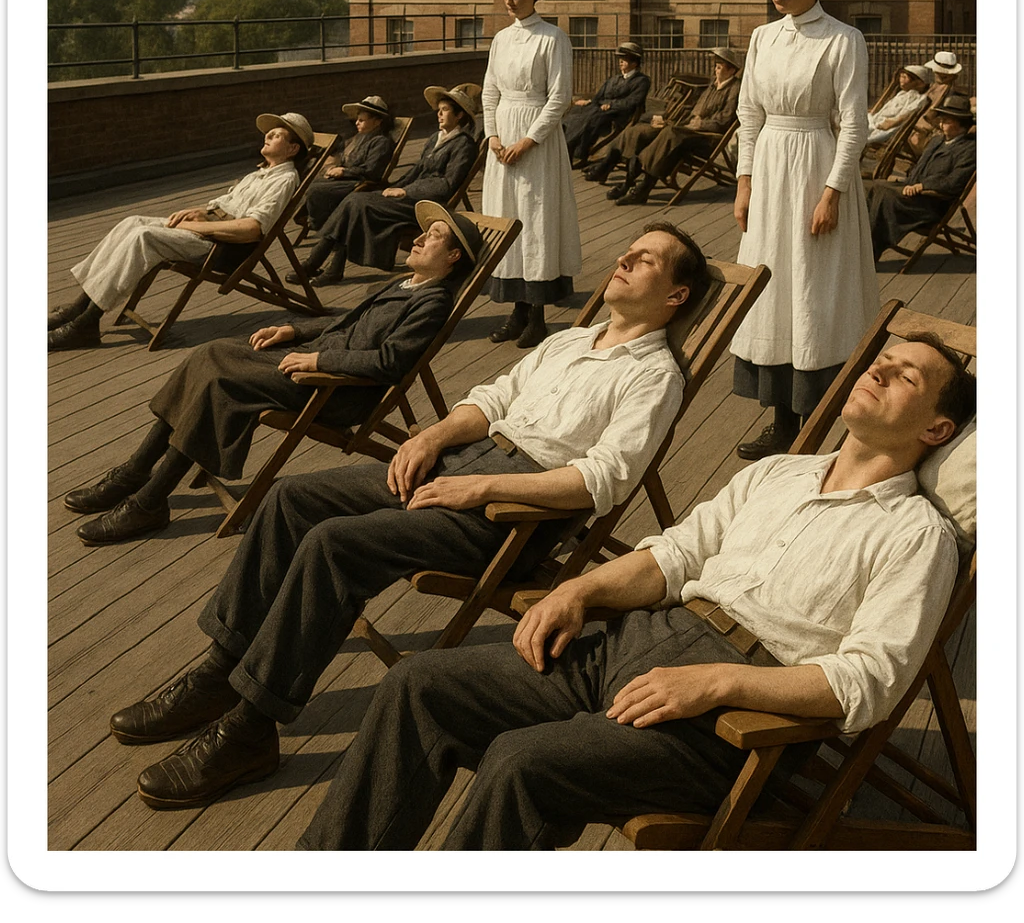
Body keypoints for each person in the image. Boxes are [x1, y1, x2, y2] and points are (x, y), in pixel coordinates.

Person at [106, 224, 707, 811]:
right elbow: (492, 399)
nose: (624, 261)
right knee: (289, 500)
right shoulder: (571, 340)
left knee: (334, 545)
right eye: (627, 251)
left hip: (510, 513)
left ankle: (248, 728)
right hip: (460, 460)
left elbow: (603, 479)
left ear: (676, 296)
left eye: (646, 259)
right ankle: (221, 670)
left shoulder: (655, 377)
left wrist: (481, 486)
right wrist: (432, 437)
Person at [296, 331, 974, 851]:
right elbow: (676, 556)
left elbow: (868, 681)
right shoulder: (780, 473)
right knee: (420, 687)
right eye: (882, 360)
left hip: (725, 717)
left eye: (906, 375)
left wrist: (715, 685)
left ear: (937, 431)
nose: (879, 369)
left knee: (521, 763)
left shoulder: (915, 535)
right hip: (634, 641)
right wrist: (581, 592)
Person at [65, 203, 476, 545]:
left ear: (454, 257)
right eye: (423, 233)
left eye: (434, 236)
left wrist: (319, 363)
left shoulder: (433, 301)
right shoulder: (407, 283)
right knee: (208, 353)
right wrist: (294, 330)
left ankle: (149, 502)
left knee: (220, 382)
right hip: (313, 361)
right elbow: (346, 322)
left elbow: (390, 362)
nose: (419, 238)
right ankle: (136, 471)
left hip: (336, 389)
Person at [731, 0, 880, 461]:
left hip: (816, 165)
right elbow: (750, 113)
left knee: (813, 284)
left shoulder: (844, 40)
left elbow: (854, 124)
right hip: (771, 169)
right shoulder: (762, 38)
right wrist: (745, 181)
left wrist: (832, 192)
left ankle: (821, 415)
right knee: (774, 284)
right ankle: (781, 419)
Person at [47, 112, 315, 352]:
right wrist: (201, 210)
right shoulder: (260, 173)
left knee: (144, 238)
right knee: (131, 222)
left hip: (220, 248)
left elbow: (251, 229)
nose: (268, 135)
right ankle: (79, 307)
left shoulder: (284, 180)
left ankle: (87, 321)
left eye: (278, 134)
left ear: (292, 149)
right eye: (270, 132)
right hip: (208, 230)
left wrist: (196, 225)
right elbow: (229, 205)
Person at [481, 0, 583, 350]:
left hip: (536, 143)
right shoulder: (501, 39)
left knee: (534, 219)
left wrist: (528, 140)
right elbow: (490, 92)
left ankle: (537, 316)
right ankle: (517, 311)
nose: (510, 1)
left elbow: (559, 99)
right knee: (507, 219)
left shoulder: (553, 38)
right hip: (502, 139)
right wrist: (493, 136)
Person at [292, 85, 480, 286]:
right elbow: (415, 171)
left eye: (444, 110)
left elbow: (447, 184)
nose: (439, 114)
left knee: (356, 202)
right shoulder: (436, 138)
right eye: (439, 109)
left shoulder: (464, 145)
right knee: (355, 203)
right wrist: (391, 188)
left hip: (426, 203)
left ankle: (316, 263)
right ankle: (329, 267)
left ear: (459, 115)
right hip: (410, 196)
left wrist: (405, 191)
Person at [605, 47, 743, 206]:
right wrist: (671, 120)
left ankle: (643, 188)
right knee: (650, 131)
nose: (715, 70)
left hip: (706, 138)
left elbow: (725, 119)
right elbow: (695, 110)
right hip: (690, 131)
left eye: (719, 67)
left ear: (731, 70)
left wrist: (700, 124)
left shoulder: (735, 89)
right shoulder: (714, 85)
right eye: (715, 66)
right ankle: (629, 182)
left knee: (669, 134)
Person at [865, 92, 976, 262]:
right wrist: (908, 183)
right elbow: (918, 168)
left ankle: (869, 252)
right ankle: (861, 245)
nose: (941, 123)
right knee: (869, 187)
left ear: (961, 125)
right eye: (942, 118)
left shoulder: (969, 149)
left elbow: (954, 182)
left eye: (947, 120)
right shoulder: (937, 141)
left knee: (882, 194)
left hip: (930, 203)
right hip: (911, 193)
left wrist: (923, 185)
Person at [302, 95, 395, 233]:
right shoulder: (358, 138)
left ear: (377, 122)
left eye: (362, 120)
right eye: (357, 119)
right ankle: (314, 218)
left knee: (316, 189)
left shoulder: (381, 142)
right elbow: (342, 154)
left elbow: (372, 171)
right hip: (348, 178)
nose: (357, 123)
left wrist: (344, 172)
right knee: (310, 180)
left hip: (361, 182)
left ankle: (322, 226)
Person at [562, 42, 650, 168]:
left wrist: (611, 104)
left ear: (634, 64)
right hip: (603, 109)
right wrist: (591, 102)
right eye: (620, 60)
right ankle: (566, 146)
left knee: (592, 117)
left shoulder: (641, 81)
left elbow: (633, 102)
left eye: (624, 60)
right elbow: (599, 97)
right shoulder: (614, 79)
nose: (620, 62)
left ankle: (579, 152)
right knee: (577, 111)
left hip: (622, 114)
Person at [907, 50, 964, 159]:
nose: (937, 75)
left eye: (942, 74)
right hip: (917, 122)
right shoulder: (935, 86)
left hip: (929, 128)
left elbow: (934, 116)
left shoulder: (949, 92)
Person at [863, 65, 932, 148]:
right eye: (900, 77)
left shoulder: (919, 99)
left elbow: (903, 117)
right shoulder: (902, 93)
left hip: (886, 128)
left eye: (904, 77)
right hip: (876, 121)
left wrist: (885, 124)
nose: (900, 80)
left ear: (919, 83)